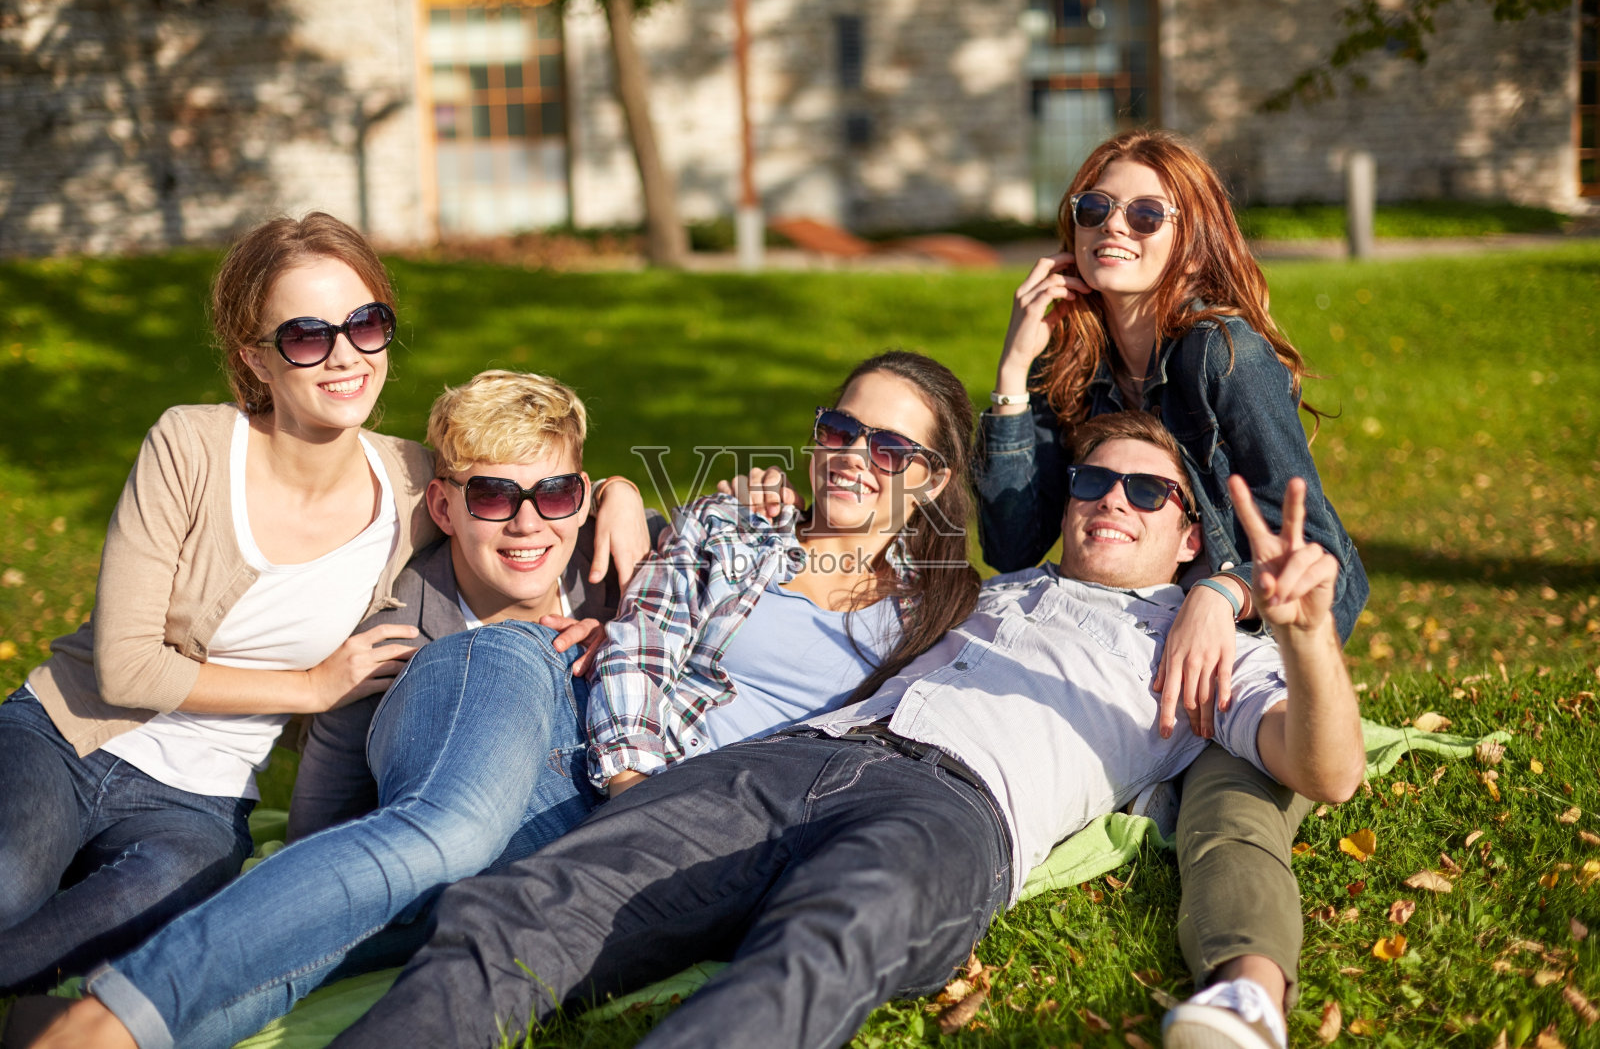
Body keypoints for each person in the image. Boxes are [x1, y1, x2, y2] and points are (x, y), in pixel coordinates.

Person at [292, 410, 1365, 1049]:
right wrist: (625, 490)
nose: (1111, 500)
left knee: (810, 953)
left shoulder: (1195, 638)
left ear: (1188, 535)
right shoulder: (977, 589)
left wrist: (1304, 632)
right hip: (794, 759)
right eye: (1094, 478)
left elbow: (1328, 766)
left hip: (955, 813)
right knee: (522, 904)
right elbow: (774, 563)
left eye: (1146, 489)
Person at [35, 350, 984, 1049]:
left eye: (891, 445)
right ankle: (104, 1020)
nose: (855, 454)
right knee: (442, 836)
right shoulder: (738, 520)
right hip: (545, 701)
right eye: (840, 429)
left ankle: (121, 1021)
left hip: (655, 821)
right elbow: (644, 645)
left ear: (937, 477)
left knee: (404, 918)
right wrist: (634, 780)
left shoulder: (944, 614)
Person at [976, 129, 1369, 1044]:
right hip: (1117, 646)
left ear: (1190, 237)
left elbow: (1330, 556)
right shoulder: (1069, 357)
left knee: (1229, 817)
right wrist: (1008, 379)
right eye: (1094, 208)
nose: (1114, 226)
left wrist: (1222, 592)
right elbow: (1015, 540)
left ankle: (1245, 997)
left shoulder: (1220, 354)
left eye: (1146, 212)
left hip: (1241, 659)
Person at [0, 213, 438, 995]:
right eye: (308, 335)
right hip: (65, 736)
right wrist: (308, 688)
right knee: (6, 883)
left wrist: (611, 495)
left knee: (88, 938)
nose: (346, 355)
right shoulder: (192, 446)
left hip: (199, 806)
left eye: (367, 324)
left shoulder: (411, 483)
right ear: (255, 359)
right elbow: (127, 668)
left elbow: (529, 495)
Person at [286, 372, 667, 842]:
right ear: (443, 509)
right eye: (492, 497)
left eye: (555, 493)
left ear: (583, 495)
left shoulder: (628, 560)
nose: (528, 524)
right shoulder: (391, 643)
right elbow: (319, 831)